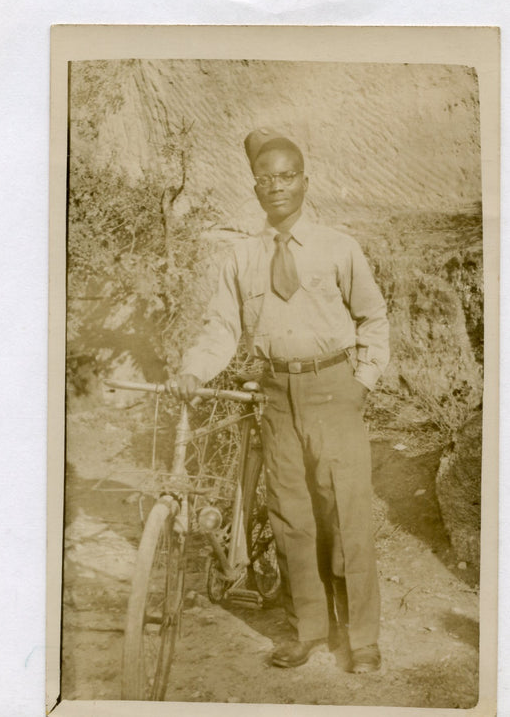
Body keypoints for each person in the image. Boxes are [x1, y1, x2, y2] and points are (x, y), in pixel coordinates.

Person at [168, 128, 389, 673]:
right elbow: (221, 325)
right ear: (255, 187)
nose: (277, 187)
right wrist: (194, 369)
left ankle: (361, 639)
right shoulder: (240, 256)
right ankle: (307, 629)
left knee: (348, 512)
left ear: (305, 181)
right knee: (291, 515)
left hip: (335, 388)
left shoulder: (340, 246)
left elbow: (372, 317)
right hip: (275, 394)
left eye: (287, 176)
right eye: (266, 179)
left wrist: (363, 381)